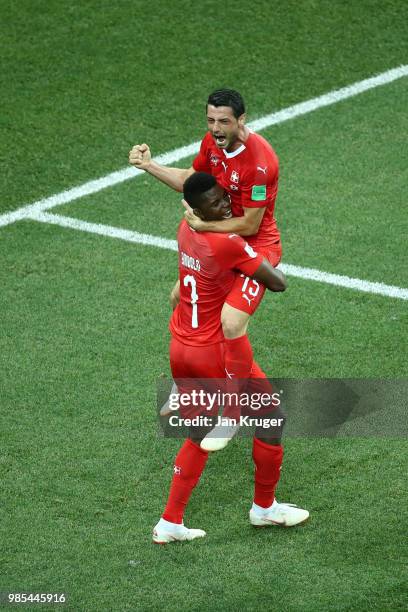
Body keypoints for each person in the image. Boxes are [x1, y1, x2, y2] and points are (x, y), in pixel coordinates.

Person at [152, 172, 309, 544]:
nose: (226, 206)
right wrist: (266, 264)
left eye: (225, 198)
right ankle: (264, 508)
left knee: (196, 434)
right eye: (216, 204)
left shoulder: (185, 230)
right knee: (272, 418)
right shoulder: (226, 243)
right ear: (196, 210)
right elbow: (277, 283)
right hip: (214, 354)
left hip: (181, 349)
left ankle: (170, 523)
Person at [129, 90, 282, 444]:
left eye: (224, 121)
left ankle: (232, 412)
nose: (216, 128)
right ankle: (190, 387)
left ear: (242, 120)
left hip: (257, 247)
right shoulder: (212, 144)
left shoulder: (262, 163)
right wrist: (149, 166)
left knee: (231, 321)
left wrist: (204, 227)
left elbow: (249, 224)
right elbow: (191, 181)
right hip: (221, 241)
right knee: (179, 297)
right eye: (211, 120)